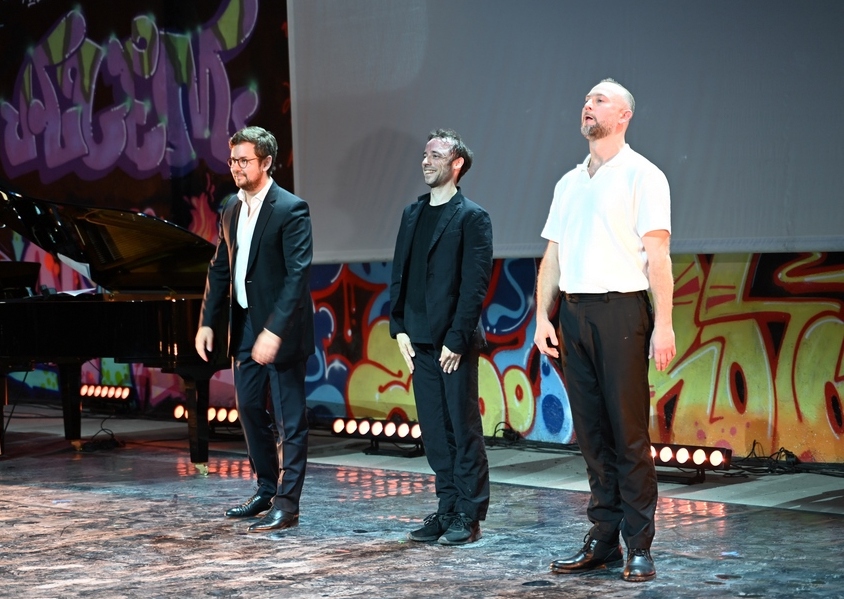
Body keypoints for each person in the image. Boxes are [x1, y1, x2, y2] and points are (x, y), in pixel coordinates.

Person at [534, 79, 675, 582]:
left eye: (600, 100)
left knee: (628, 435)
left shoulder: (643, 175)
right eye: (586, 100)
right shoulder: (569, 182)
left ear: (624, 116)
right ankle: (604, 538)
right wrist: (542, 316)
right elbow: (553, 256)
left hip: (622, 312)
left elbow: (658, 257)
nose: (588, 105)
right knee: (592, 434)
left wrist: (664, 324)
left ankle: (639, 544)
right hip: (573, 313)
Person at [195, 125, 314, 533]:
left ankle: (287, 504)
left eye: (244, 160)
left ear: (266, 162)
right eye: (232, 160)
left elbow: (297, 276)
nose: (236, 167)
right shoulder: (231, 207)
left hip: (282, 330)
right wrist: (207, 322)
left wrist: (274, 330)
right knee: (247, 407)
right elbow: (219, 268)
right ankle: (266, 488)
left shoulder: (290, 208)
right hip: (245, 326)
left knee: (289, 420)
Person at [389, 128, 493, 545]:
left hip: (453, 343)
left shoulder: (472, 217)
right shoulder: (412, 213)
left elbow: (474, 285)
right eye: (425, 155)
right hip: (418, 340)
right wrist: (398, 326)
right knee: (434, 431)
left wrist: (457, 337)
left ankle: (469, 513)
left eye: (435, 155)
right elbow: (400, 273)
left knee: (462, 430)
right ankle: (447, 507)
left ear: (456, 163)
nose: (426, 161)